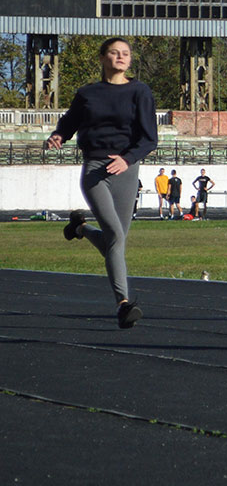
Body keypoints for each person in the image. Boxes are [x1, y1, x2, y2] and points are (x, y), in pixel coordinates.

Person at [45, 37, 158, 328]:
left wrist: (127, 159)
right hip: (95, 170)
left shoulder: (140, 91)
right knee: (116, 236)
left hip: (125, 170)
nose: (121, 57)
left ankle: (80, 228)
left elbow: (150, 139)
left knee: (114, 240)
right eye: (114, 52)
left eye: (125, 53)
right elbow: (70, 122)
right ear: (102, 58)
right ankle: (124, 304)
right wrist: (59, 135)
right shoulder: (88, 93)